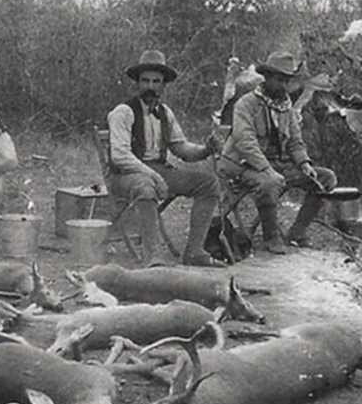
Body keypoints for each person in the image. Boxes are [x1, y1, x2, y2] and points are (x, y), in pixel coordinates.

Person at [106, 49, 222, 267]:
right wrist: (153, 175)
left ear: (163, 85)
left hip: (158, 171)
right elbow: (120, 156)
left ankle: (194, 251)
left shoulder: (165, 113)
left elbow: (182, 148)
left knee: (208, 183)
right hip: (125, 175)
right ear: (137, 83)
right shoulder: (123, 112)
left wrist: (206, 149)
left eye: (156, 81)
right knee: (146, 186)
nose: (150, 86)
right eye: (145, 81)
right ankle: (153, 256)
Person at [216, 51, 337, 254]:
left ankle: (297, 233)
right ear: (267, 77)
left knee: (326, 178)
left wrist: (304, 164)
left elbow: (295, 142)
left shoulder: (286, 107)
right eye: (279, 80)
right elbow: (245, 143)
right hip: (240, 165)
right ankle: (271, 237)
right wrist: (267, 169)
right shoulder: (246, 104)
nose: (284, 86)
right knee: (270, 182)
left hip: (275, 166)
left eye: (287, 81)